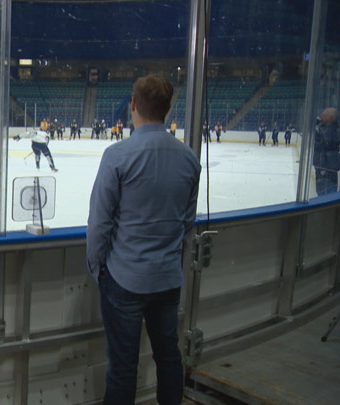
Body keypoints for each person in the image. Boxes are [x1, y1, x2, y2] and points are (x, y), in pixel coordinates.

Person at [86, 74, 201, 405]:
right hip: (167, 278)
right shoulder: (189, 159)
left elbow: (99, 223)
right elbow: (187, 222)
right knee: (169, 357)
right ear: (168, 109)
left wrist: (98, 269)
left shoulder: (118, 156)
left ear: (133, 105)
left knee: (123, 367)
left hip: (125, 279)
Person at [313, 108, 340, 195]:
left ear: (330, 118)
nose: (321, 116)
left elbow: (326, 143)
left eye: (324, 115)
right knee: (320, 192)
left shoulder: (333, 131)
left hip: (328, 169)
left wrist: (318, 129)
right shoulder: (323, 128)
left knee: (328, 193)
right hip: (321, 167)